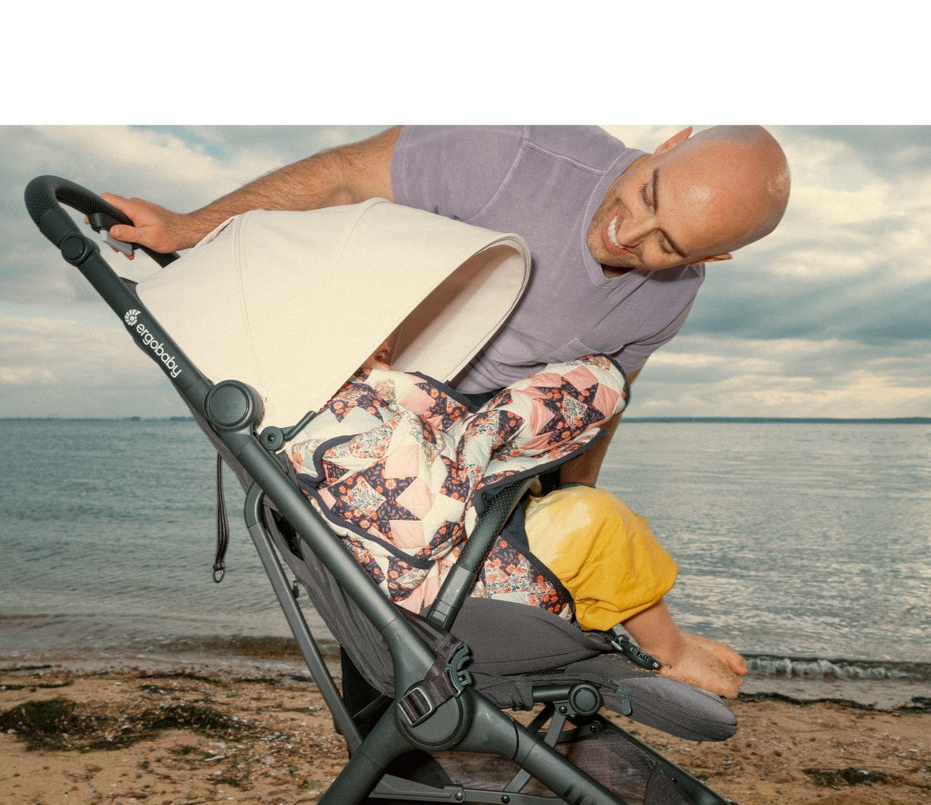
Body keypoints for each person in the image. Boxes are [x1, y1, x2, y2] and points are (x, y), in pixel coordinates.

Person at [101, 124, 790, 484]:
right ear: (670, 143)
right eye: (648, 194)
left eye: (668, 244)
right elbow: (343, 176)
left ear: (711, 259)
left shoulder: (671, 299)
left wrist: (575, 497)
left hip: (483, 447)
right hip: (362, 388)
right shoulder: (511, 144)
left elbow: (604, 406)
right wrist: (187, 229)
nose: (628, 234)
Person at [288, 336, 747, 698]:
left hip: (452, 577)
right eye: (378, 347)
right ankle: (669, 651)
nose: (390, 352)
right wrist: (489, 429)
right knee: (594, 522)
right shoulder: (346, 424)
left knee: (567, 513)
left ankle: (656, 632)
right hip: (453, 599)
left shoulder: (337, 422)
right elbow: (419, 522)